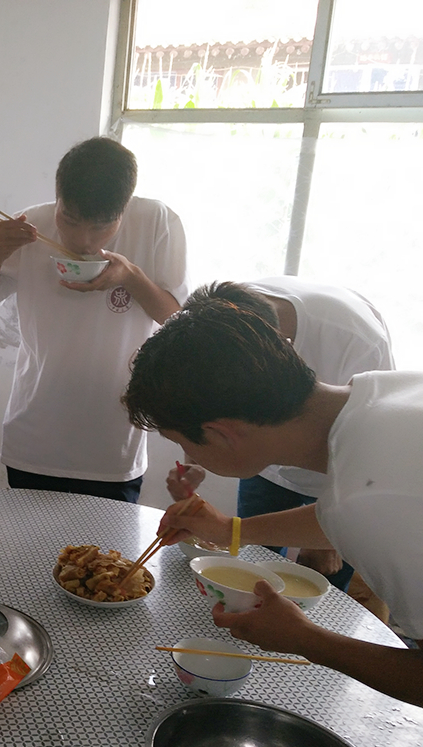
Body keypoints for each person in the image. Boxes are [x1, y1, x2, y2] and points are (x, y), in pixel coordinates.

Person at [122, 292, 423, 707]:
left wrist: (306, 639)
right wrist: (231, 530)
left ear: (222, 433)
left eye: (182, 442)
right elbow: (345, 516)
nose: (187, 455)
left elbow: (369, 509)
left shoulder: (370, 500)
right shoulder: (382, 393)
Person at [0, 137, 186, 503]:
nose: (82, 240)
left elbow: (176, 319)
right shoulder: (31, 225)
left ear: (125, 207)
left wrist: (130, 276)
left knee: (107, 543)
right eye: (69, 219)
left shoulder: (156, 222)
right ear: (58, 196)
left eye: (101, 226)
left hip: (113, 447)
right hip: (33, 441)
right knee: (29, 541)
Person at [166, 278, 394, 597]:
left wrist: (331, 536)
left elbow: (368, 457)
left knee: (320, 586)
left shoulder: (356, 341)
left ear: (277, 352)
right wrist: (195, 462)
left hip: (339, 477)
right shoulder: (218, 316)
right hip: (264, 460)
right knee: (250, 567)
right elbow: (198, 399)